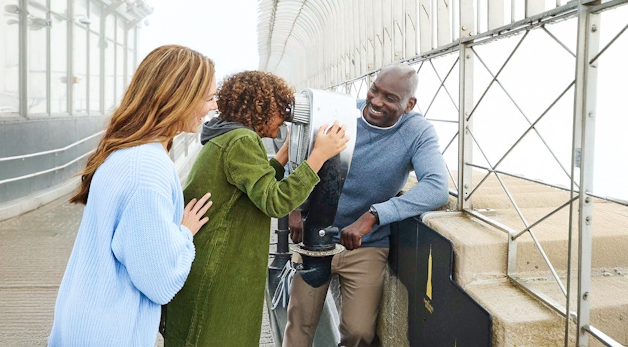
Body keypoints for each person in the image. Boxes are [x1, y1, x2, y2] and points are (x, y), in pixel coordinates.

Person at [164, 70, 351, 347]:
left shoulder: (228, 136)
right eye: (280, 109)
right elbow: (276, 201)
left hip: (217, 259)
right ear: (261, 108)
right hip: (220, 267)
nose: (284, 119)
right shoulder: (241, 141)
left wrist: (284, 154)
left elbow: (250, 186)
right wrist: (318, 156)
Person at [48, 45, 217, 347]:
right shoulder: (146, 170)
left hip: (86, 320)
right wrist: (184, 234)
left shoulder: (129, 153)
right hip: (110, 332)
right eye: (207, 98)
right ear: (179, 98)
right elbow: (159, 280)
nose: (212, 107)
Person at [283, 63, 450, 347]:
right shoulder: (340, 114)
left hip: (366, 245)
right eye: (375, 90)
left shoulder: (418, 132)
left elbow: (436, 187)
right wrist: (295, 208)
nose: (376, 101)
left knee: (359, 333)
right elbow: (298, 156)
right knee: (299, 325)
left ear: (409, 104)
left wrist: (374, 215)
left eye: (390, 98)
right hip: (315, 237)